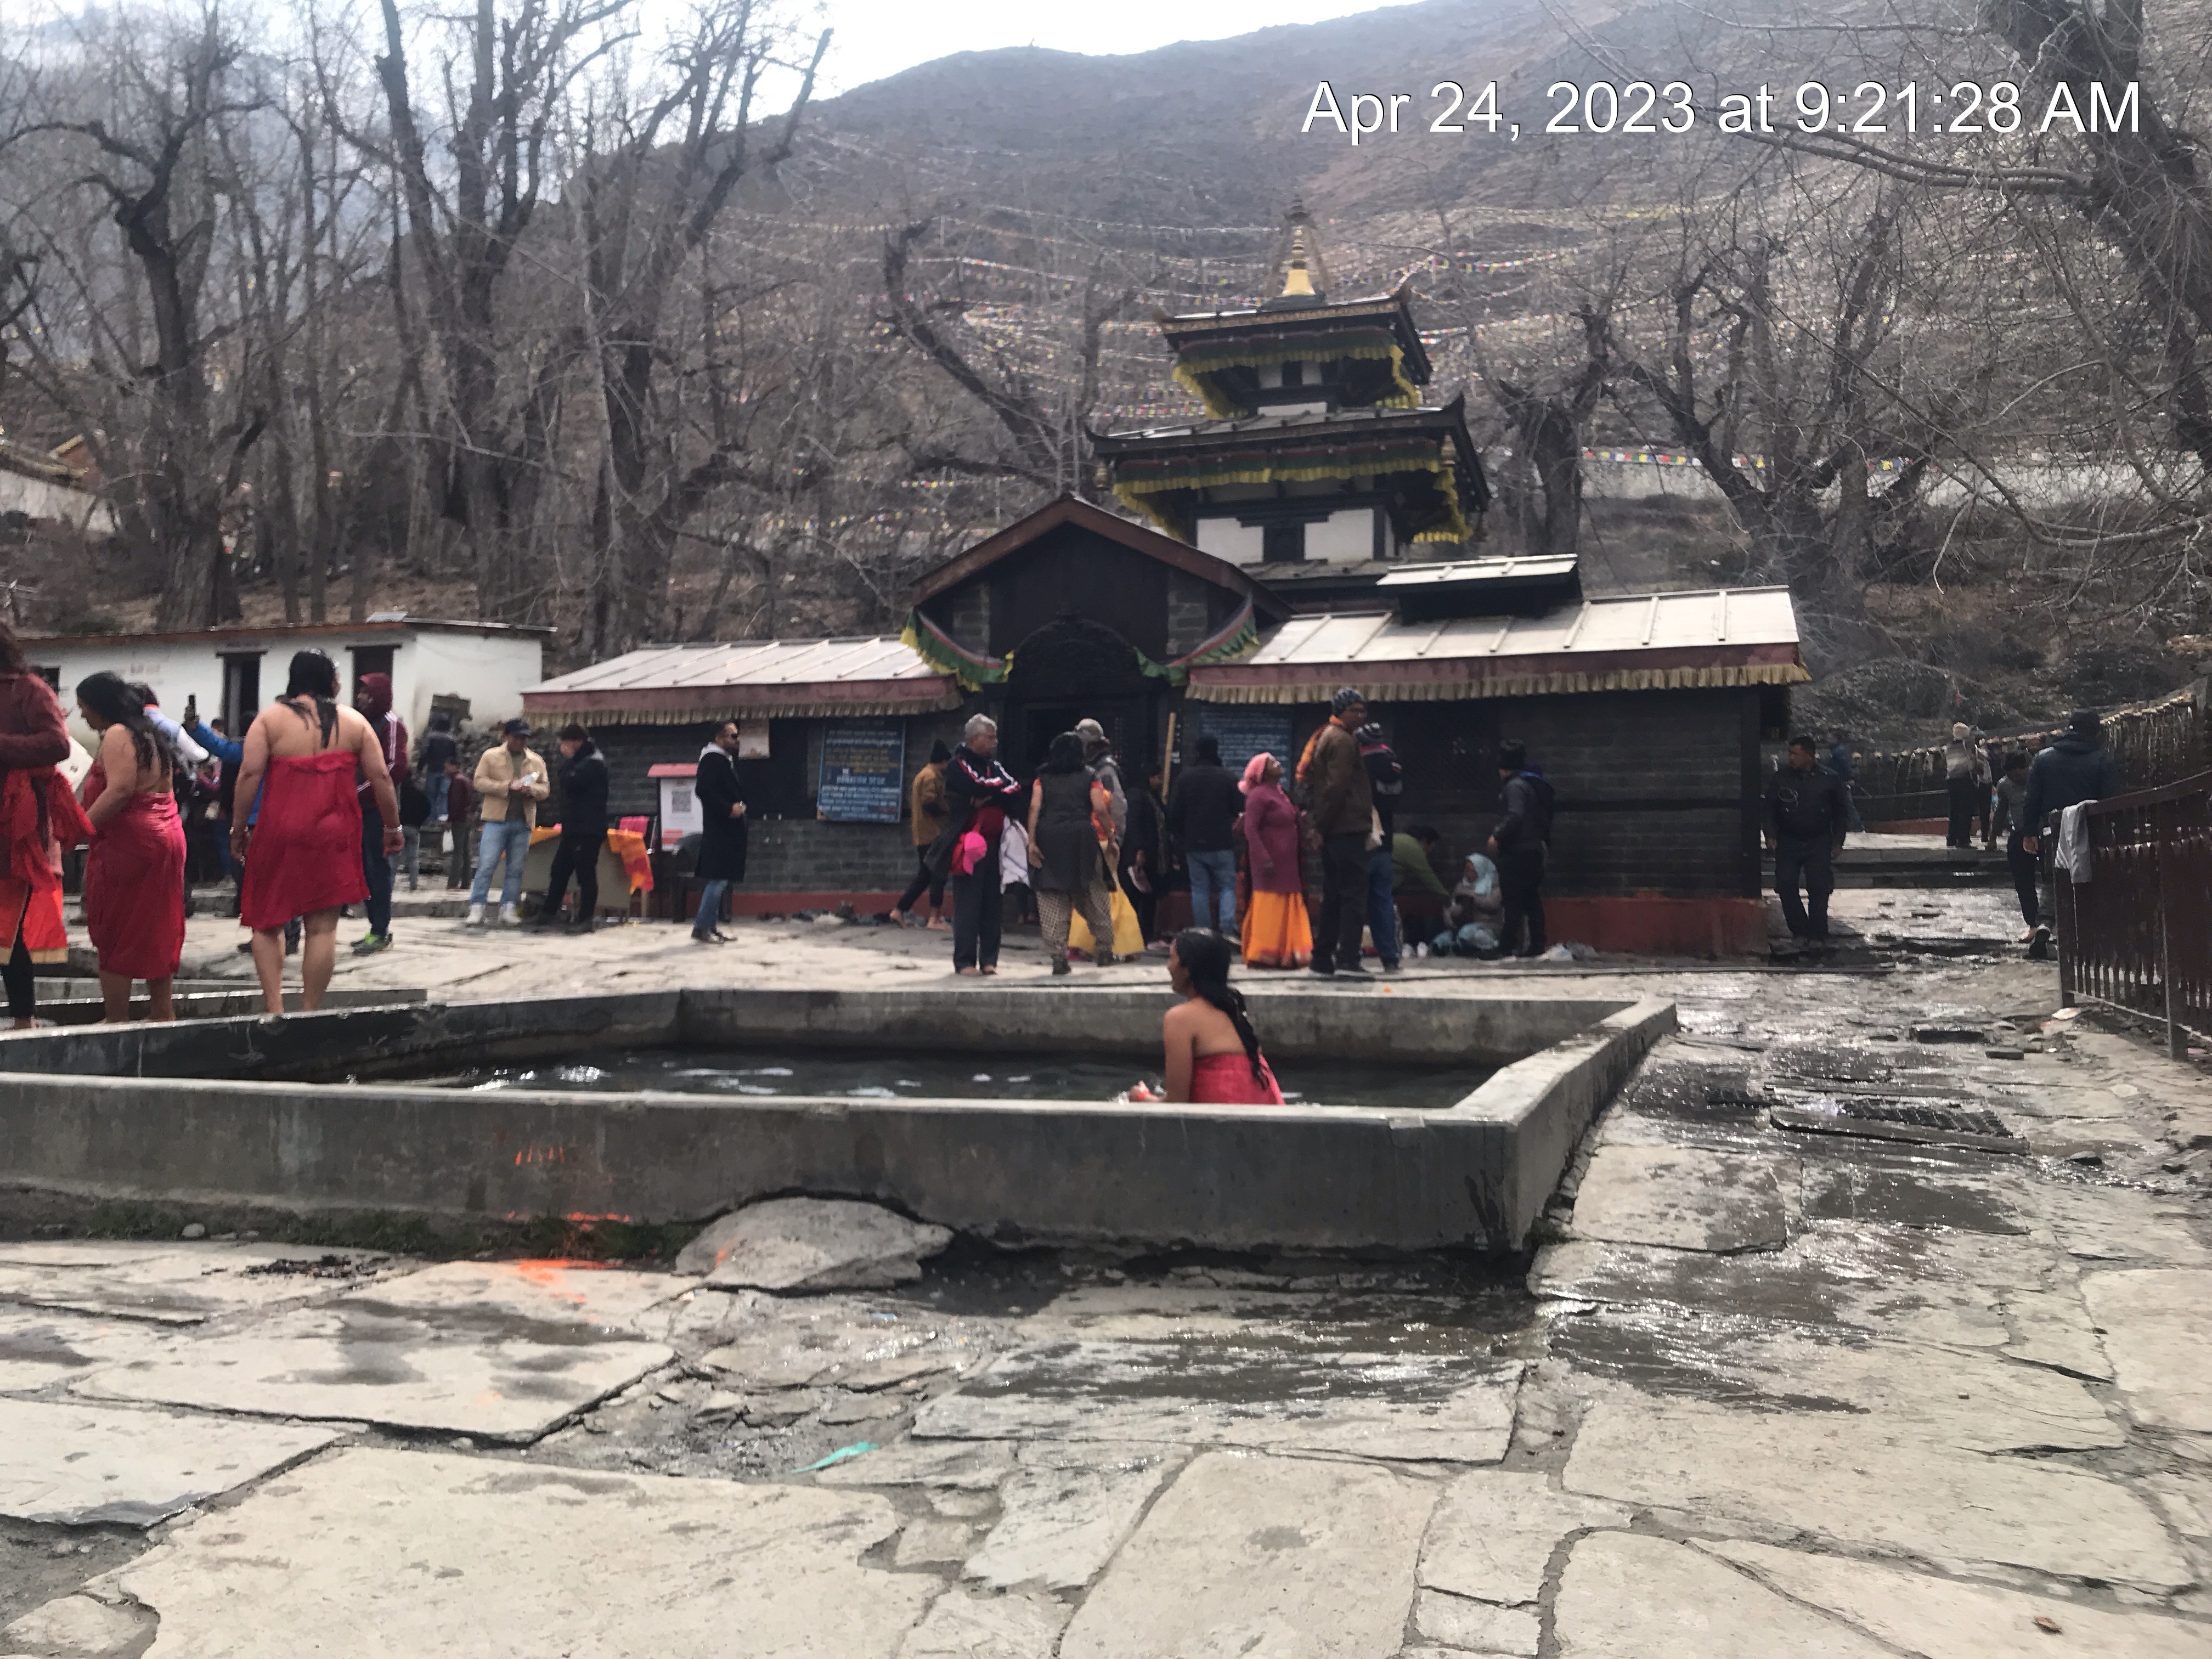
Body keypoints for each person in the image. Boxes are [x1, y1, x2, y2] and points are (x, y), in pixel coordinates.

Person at [232, 650, 401, 1014]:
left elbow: (248, 775)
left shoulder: (270, 720)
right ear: (327, 679)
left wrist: (239, 827)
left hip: (279, 827)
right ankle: (310, 1011)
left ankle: (274, 1008)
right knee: (323, 929)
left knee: (267, 922)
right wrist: (393, 826)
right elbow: (382, 777)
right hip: (333, 833)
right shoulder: (354, 722)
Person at [74, 674, 189, 1023]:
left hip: (131, 844)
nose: (83, 718)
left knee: (115, 928)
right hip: (166, 836)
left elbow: (121, 789)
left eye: (84, 709)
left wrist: (78, 829)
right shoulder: (151, 733)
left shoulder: (117, 734)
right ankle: (162, 1013)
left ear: (100, 707)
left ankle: (116, 1018)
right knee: (158, 926)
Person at [0, 624, 84, 1030]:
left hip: (15, 822)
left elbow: (58, 744)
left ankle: (22, 1017)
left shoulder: (28, 690)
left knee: (11, 922)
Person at [2020, 708, 2122, 960]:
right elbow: (2112, 802)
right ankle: (2086, 940)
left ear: (2069, 728)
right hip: (2091, 831)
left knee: (2054, 879)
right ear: (2095, 731)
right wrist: (2117, 833)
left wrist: (2029, 832)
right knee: (2088, 880)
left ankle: (2045, 925)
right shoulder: (2102, 760)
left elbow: (2031, 799)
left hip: (2051, 829)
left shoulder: (2043, 758)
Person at [1161, 927, 1284, 1105]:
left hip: (1225, 1129)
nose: (1168, 966)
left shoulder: (1179, 1019)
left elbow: (1176, 1103)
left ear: (1187, 968)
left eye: (1171, 958)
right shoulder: (1234, 1011)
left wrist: (1141, 1098)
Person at [942, 714, 1026, 975]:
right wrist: (992, 794)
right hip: (969, 844)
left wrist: (988, 796)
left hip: (996, 843)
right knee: (969, 903)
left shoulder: (995, 766)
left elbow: (1015, 788)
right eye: (990, 737)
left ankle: (990, 959)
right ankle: (965, 961)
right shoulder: (958, 764)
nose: (994, 742)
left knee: (993, 902)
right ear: (976, 738)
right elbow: (976, 786)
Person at [1029, 731, 1115, 975]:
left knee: (1051, 897)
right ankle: (1105, 951)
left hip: (1049, 838)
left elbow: (1035, 807)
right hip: (1081, 838)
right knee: (1093, 893)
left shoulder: (1042, 777)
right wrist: (1111, 838)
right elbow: (1099, 808)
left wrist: (1031, 842)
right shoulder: (1090, 776)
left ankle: (1058, 958)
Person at [1305, 687, 1374, 977]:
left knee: (1333, 896)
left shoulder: (1327, 737)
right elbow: (1337, 787)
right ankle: (1347, 958)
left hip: (1335, 829)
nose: (1361, 715)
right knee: (1353, 896)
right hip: (1346, 828)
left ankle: (1322, 957)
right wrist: (1321, 825)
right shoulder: (1343, 741)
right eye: (1355, 710)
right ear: (1341, 711)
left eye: (1363, 710)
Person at [1763, 734, 1851, 945]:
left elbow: (1841, 813)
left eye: (1796, 754)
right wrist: (1770, 835)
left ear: (1810, 756)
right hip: (1788, 840)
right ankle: (1800, 930)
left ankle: (1818, 933)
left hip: (1819, 840)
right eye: (1790, 754)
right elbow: (1769, 810)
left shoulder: (1829, 779)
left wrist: (1838, 840)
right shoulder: (1781, 778)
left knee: (1819, 887)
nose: (1791, 758)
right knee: (1785, 884)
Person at [468, 718, 548, 926]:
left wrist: (530, 790)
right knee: (487, 864)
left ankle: (509, 907)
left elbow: (545, 789)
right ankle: (477, 907)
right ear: (507, 737)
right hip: (496, 819)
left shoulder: (536, 761)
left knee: (516, 868)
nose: (521, 742)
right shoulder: (491, 756)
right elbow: (479, 781)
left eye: (525, 738)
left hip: (523, 821)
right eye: (517, 737)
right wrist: (506, 786)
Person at [351, 673, 409, 953]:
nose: (360, 696)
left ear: (376, 695)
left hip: (378, 810)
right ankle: (373, 926)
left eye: (365, 691)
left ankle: (380, 930)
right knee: (364, 869)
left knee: (379, 870)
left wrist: (359, 790)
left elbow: (394, 767)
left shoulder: (391, 724)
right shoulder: (360, 723)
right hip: (356, 808)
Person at [1237, 751, 1311, 969]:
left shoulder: (1280, 793)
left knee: (1290, 903)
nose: (1279, 764)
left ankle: (1288, 953)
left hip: (1287, 862)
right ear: (1262, 772)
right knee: (1269, 907)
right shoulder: (1259, 796)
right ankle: (1263, 953)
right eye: (1272, 762)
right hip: (1269, 862)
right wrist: (1262, 857)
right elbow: (1250, 829)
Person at [534, 724, 609, 932]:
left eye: (565, 742)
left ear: (576, 742)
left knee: (586, 874)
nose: (562, 747)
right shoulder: (581, 761)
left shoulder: (593, 763)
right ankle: (549, 913)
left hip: (587, 829)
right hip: (573, 828)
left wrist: (567, 762)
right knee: (559, 870)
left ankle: (586, 919)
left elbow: (570, 781)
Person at [1166, 733, 1240, 934]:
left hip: (1194, 844)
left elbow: (1174, 813)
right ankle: (1227, 927)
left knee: (1199, 888)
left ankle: (1203, 930)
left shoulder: (1185, 778)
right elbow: (1238, 808)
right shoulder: (1227, 777)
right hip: (1222, 841)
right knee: (1227, 885)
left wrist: (1179, 838)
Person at [1487, 741, 1555, 958]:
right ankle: (1537, 944)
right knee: (1531, 899)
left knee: (1513, 900)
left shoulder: (1514, 787)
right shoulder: (1529, 786)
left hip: (1517, 852)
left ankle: (1506, 947)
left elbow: (1515, 815)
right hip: (1533, 851)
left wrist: (1497, 835)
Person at [690, 720, 748, 943]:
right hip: (720, 828)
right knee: (719, 879)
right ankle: (701, 926)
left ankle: (711, 926)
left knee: (721, 878)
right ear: (719, 738)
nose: (737, 740)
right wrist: (727, 809)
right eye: (732, 736)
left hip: (729, 827)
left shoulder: (725, 760)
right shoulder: (712, 759)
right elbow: (703, 790)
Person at [890, 739, 952, 929]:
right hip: (932, 834)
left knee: (925, 876)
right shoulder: (930, 777)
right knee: (937, 876)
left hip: (925, 834)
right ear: (943, 761)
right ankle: (934, 918)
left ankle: (900, 910)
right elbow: (929, 803)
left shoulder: (924, 774)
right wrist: (948, 810)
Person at [1358, 722, 1404, 971]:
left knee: (1353, 900)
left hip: (1362, 842)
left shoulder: (1360, 762)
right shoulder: (1393, 763)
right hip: (1386, 843)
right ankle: (1390, 957)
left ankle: (1350, 954)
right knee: (1383, 901)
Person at [1988, 750, 2039, 943]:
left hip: (2043, 832)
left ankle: (2052, 923)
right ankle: (2033, 924)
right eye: (2012, 775)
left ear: (2027, 768)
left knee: (2051, 877)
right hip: (2019, 835)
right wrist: (1993, 837)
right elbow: (2001, 811)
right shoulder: (2005, 786)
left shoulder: (2038, 779)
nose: (2016, 779)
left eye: (2019, 774)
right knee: (2023, 881)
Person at [1392, 823, 1453, 946]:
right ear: (1425, 841)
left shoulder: (1399, 839)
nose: (1430, 852)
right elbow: (1429, 879)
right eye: (1431, 847)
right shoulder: (1414, 849)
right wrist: (1448, 901)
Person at [1436, 850, 1504, 957]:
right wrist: (1457, 907)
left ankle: (1493, 947)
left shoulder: (1493, 886)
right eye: (1467, 870)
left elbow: (1493, 904)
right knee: (1441, 941)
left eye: (1472, 870)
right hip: (1463, 926)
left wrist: (1473, 898)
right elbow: (1452, 911)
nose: (1468, 873)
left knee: (1466, 933)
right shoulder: (1462, 886)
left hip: (1487, 927)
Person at [1943, 721, 1990, 849]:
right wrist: (1983, 747)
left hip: (1951, 780)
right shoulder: (1967, 745)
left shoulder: (1948, 747)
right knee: (1966, 810)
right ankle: (1963, 839)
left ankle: (1952, 838)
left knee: (1954, 810)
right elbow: (1983, 756)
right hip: (1965, 780)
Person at [441, 758, 476, 890]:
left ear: (454, 766)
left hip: (459, 819)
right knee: (467, 852)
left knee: (458, 851)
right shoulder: (467, 781)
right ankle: (467, 882)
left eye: (447, 767)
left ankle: (453, 881)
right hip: (467, 818)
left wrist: (450, 820)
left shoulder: (457, 781)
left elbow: (455, 803)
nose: (445, 770)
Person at [1827, 729, 1865, 834]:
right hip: (1835, 781)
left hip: (1841, 782)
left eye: (1830, 738)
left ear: (1836, 739)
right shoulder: (1835, 751)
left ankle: (1858, 826)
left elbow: (1845, 765)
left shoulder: (1839, 751)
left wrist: (1850, 778)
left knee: (1848, 805)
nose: (1828, 740)